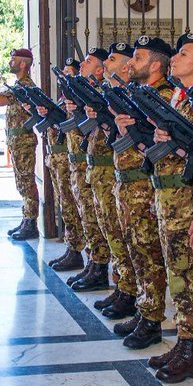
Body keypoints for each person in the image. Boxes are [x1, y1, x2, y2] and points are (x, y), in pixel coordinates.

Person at [145, 33, 193, 381]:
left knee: (188, 275)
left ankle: (192, 349)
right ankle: (183, 339)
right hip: (168, 198)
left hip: (187, 200)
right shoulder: (179, 96)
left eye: (184, 53)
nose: (174, 57)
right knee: (178, 274)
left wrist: (178, 146)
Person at [108, 36, 171, 349]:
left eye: (139, 57)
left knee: (149, 253)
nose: (131, 62)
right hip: (128, 184)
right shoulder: (139, 95)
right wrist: (121, 128)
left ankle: (152, 319)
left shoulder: (166, 97)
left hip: (146, 185)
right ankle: (144, 309)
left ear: (155, 65)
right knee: (137, 250)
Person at [78, 43, 139, 320]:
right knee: (112, 232)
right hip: (113, 175)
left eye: (112, 59)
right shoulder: (115, 94)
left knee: (127, 240)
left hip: (132, 180)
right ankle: (121, 285)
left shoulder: (135, 95)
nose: (105, 65)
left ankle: (130, 292)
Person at [62, 52, 112, 286]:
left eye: (89, 62)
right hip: (88, 164)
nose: (82, 64)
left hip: (104, 169)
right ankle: (94, 262)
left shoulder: (106, 94)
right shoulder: (92, 92)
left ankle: (100, 267)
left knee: (99, 221)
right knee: (89, 217)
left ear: (100, 71)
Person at [0, 49, 39, 240]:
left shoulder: (25, 86)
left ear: (23, 64)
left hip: (24, 141)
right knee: (21, 182)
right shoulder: (17, 85)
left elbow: (0, 101)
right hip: (17, 141)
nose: (10, 62)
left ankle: (31, 223)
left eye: (14, 60)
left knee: (27, 182)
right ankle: (26, 218)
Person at [43, 58, 86, 272]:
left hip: (78, 164)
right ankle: (73, 248)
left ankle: (80, 252)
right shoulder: (64, 100)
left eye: (70, 73)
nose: (65, 77)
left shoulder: (82, 98)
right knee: (66, 206)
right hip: (64, 160)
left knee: (75, 207)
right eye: (64, 73)